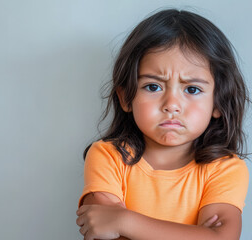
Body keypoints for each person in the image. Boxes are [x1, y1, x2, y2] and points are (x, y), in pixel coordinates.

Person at [75, 8, 250, 240]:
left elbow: (221, 238)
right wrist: (198, 234)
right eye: (153, 87)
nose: (172, 105)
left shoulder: (225, 169)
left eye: (192, 89)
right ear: (126, 97)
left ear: (218, 103)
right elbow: (101, 230)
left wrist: (125, 221)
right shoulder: (108, 157)